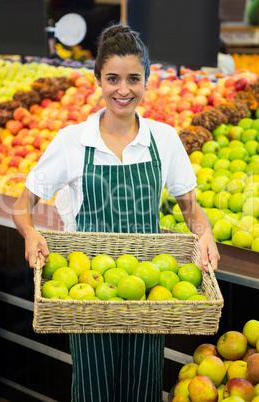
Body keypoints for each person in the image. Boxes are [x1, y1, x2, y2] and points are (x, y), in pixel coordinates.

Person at [12, 23, 220, 402]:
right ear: (98, 80)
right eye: (112, 78)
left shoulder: (164, 139)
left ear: (147, 79)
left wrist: (204, 235)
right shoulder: (72, 141)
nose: (123, 90)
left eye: (133, 79)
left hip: (150, 291)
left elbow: (192, 210)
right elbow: (22, 206)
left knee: (142, 389)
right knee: (93, 390)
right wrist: (30, 234)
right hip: (86, 289)